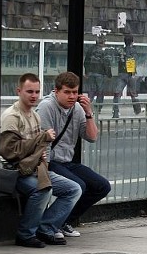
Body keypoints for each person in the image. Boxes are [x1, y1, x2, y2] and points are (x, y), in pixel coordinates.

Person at [0, 73, 82, 247]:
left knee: (73, 189)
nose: (34, 96)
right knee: (43, 190)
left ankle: (46, 227)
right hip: (14, 172)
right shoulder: (12, 117)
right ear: (19, 91)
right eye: (29, 91)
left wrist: (40, 151)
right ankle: (25, 234)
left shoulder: (34, 116)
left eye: (37, 92)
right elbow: (10, 152)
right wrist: (41, 140)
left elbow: (38, 147)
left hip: (34, 168)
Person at [37, 71, 111, 236]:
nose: (72, 96)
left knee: (102, 186)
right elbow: (44, 142)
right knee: (78, 186)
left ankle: (63, 221)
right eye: (67, 92)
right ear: (56, 91)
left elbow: (92, 137)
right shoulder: (47, 107)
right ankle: (49, 224)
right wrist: (44, 171)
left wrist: (88, 112)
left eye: (75, 92)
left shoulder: (77, 108)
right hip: (49, 161)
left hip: (66, 161)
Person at [113, 34, 141, 118]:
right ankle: (137, 110)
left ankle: (115, 112)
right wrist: (132, 73)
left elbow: (118, 61)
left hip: (121, 73)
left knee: (117, 93)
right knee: (133, 93)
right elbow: (132, 61)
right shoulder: (133, 51)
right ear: (132, 41)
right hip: (130, 74)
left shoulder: (121, 50)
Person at [84, 35, 112, 114]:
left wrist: (87, 72)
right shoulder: (104, 51)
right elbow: (106, 63)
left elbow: (86, 62)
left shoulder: (91, 49)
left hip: (91, 73)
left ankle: (88, 107)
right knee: (100, 91)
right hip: (100, 73)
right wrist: (109, 74)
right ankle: (98, 109)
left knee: (91, 91)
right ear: (103, 42)